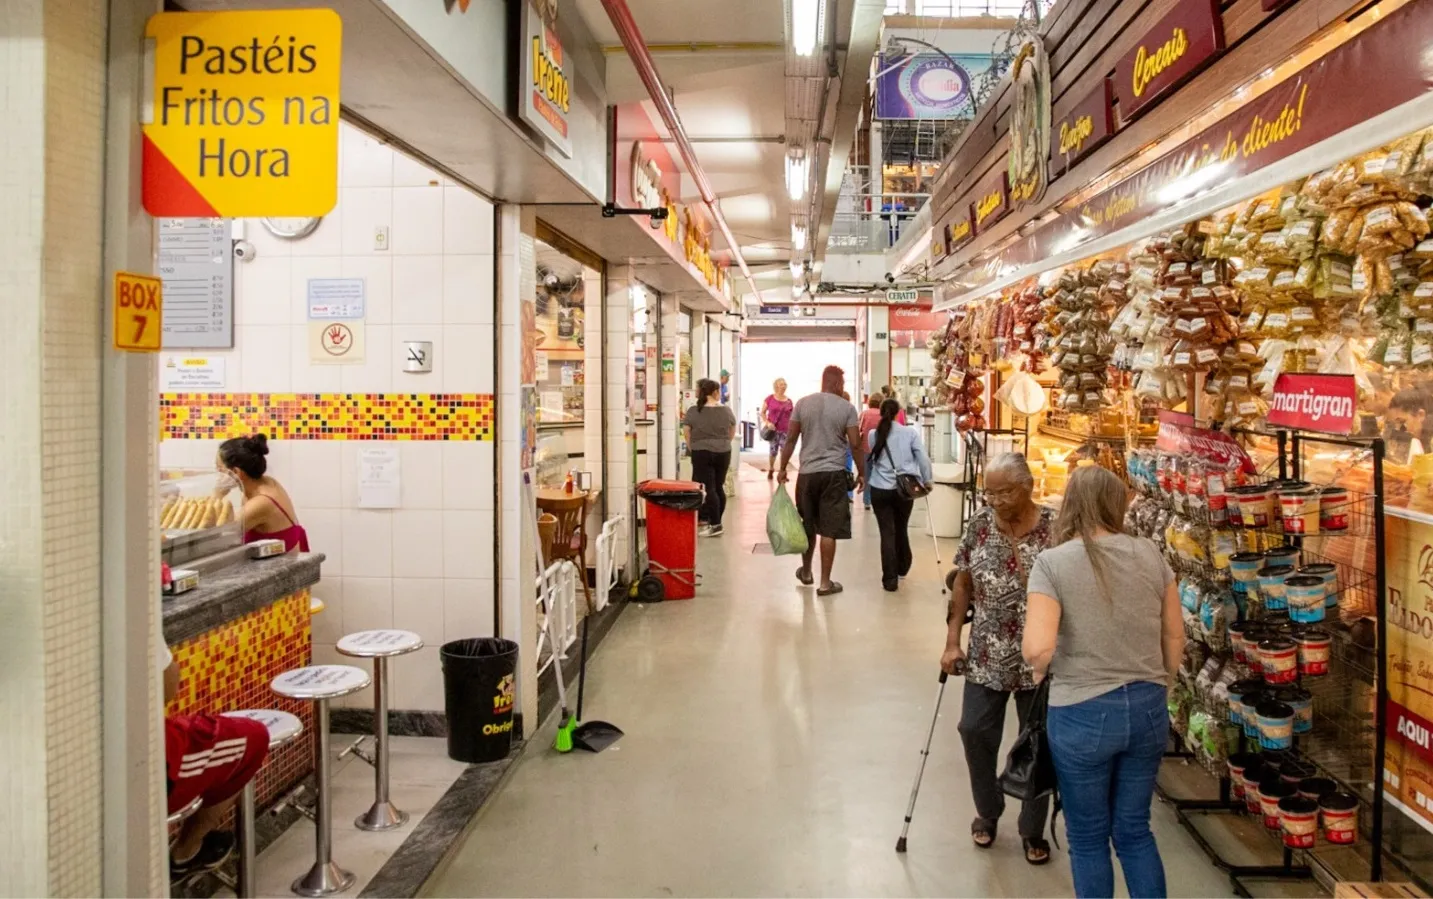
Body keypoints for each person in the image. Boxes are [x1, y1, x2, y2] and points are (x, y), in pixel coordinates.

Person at [1023, 465, 1180, 899]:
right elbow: (1174, 634)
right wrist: (1160, 685)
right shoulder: (1150, 553)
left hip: (1082, 713)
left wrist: (1041, 668)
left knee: (1089, 838)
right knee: (1134, 831)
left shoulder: (1052, 563)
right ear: (1117, 505)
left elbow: (1037, 648)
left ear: (1071, 504)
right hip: (1147, 706)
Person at [939, 453, 1054, 865]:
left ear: (1028, 487)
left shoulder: (1053, 529)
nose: (996, 500)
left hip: (1040, 658)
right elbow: (963, 584)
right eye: (989, 491)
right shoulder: (981, 524)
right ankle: (988, 809)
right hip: (988, 650)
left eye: (1004, 491)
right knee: (973, 730)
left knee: (1038, 743)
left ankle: (1031, 828)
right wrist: (953, 642)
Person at [163, 642, 270, 876]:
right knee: (254, 738)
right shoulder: (135, 615)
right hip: (156, 757)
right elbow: (165, 686)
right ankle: (185, 852)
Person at [777, 365, 864, 596]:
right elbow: (855, 444)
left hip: (807, 475)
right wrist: (863, 472)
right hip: (833, 475)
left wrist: (782, 467)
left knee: (808, 523)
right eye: (842, 384)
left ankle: (806, 572)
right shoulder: (847, 408)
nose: (843, 388)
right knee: (829, 529)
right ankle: (825, 583)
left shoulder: (803, 404)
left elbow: (791, 439)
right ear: (836, 384)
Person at [865, 398, 932, 591]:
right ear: (898, 414)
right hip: (904, 490)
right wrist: (928, 480)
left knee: (887, 532)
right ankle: (903, 565)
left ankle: (890, 579)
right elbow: (923, 458)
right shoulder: (910, 433)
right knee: (901, 527)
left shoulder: (873, 434)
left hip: (879, 489)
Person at [218, 433, 310, 552]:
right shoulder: (268, 483)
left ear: (235, 472)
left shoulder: (260, 503)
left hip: (283, 566)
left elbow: (220, 539)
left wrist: (218, 494)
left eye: (219, 469)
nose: (218, 475)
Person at [684, 378, 737, 537]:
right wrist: (725, 442)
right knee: (718, 486)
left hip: (702, 452)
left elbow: (687, 432)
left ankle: (715, 524)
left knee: (709, 488)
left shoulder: (694, 410)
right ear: (714, 392)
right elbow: (732, 429)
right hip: (723, 451)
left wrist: (693, 447)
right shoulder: (726, 410)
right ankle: (716, 522)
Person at [762, 379, 795, 481]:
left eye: (785, 384)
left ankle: (782, 471)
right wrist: (768, 423)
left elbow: (793, 416)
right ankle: (771, 468)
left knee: (784, 451)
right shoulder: (770, 398)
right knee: (773, 452)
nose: (784, 386)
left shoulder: (789, 401)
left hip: (785, 430)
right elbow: (763, 412)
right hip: (774, 430)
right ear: (776, 386)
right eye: (781, 384)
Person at [858, 395, 884, 509]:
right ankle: (879, 499)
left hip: (866, 448)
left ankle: (867, 501)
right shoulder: (883, 415)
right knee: (880, 474)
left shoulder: (864, 414)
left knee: (867, 474)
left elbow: (859, 428)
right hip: (880, 449)